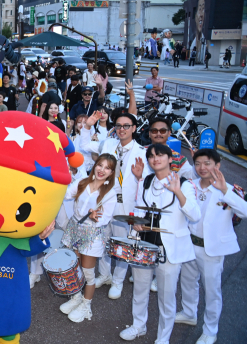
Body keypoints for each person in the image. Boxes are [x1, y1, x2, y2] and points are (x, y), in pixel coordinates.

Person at [119, 144, 201, 343]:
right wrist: (137, 223)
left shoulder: (184, 184)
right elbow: (139, 208)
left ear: (170, 159)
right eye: (152, 156)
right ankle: (138, 326)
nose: (155, 158)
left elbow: (195, 215)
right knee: (140, 288)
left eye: (160, 155)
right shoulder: (146, 181)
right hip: (145, 244)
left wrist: (178, 192)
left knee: (166, 295)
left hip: (169, 248)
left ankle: (163, 337)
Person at [177, 149, 247, 344]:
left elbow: (244, 212)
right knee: (188, 282)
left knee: (212, 290)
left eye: (207, 163)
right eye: (198, 163)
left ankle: (210, 330)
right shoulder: (190, 186)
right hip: (190, 243)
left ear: (217, 166)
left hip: (212, 249)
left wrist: (225, 191)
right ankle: (189, 312)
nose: (202, 168)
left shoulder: (230, 190)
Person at [80, 112, 151, 300]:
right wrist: (88, 126)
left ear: (134, 128)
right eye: (118, 125)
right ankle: (105, 274)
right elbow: (84, 145)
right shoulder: (108, 144)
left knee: (122, 243)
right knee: (102, 239)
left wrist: (140, 177)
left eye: (126, 126)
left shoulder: (142, 153)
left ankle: (118, 281)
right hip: (104, 201)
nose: (121, 129)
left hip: (125, 206)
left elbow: (146, 186)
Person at [59, 154, 117, 322]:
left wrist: (94, 217)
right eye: (100, 165)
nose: (102, 170)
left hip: (92, 235)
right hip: (74, 229)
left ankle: (86, 305)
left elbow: (105, 218)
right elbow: (66, 194)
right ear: (95, 165)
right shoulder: (82, 182)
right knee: (74, 268)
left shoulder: (109, 193)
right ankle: (76, 297)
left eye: (107, 168)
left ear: (111, 172)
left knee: (87, 272)